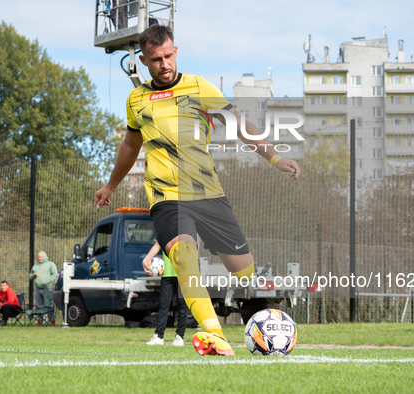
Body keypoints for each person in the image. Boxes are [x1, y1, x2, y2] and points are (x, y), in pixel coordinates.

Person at [95, 25, 301, 356]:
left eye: (168, 56)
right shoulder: (137, 100)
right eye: (155, 59)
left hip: (207, 193)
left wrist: (274, 157)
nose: (164, 64)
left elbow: (237, 124)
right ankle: (214, 334)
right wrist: (111, 184)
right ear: (144, 61)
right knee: (183, 254)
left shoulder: (198, 86)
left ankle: (259, 318)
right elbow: (130, 146)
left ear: (175, 51)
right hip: (166, 197)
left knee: (243, 271)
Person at [144, 241, 188, 346]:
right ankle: (159, 336)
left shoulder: (186, 229)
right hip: (167, 275)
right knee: (163, 306)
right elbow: (157, 244)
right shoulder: (166, 229)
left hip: (182, 274)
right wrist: (145, 259)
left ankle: (180, 337)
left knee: (182, 306)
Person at [29, 251, 58, 326]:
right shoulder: (35, 266)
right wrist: (33, 275)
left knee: (50, 305)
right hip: (37, 289)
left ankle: (52, 321)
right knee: (39, 305)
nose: (39, 258)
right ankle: (40, 321)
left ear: (44, 257)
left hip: (47, 289)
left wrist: (48, 280)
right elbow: (30, 276)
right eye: (38, 257)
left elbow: (54, 274)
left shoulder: (51, 264)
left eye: (41, 257)